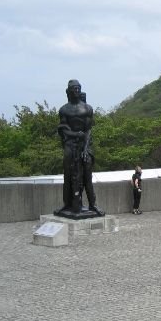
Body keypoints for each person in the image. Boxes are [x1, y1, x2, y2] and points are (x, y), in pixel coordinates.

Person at [54, 79, 104, 218]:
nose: (76, 91)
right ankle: (67, 203)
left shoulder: (87, 108)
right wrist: (76, 134)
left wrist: (85, 149)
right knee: (68, 175)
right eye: (73, 89)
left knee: (87, 175)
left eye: (78, 88)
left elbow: (88, 130)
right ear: (68, 91)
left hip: (84, 145)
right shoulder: (64, 110)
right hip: (70, 145)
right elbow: (63, 130)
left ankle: (92, 204)